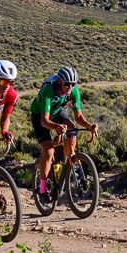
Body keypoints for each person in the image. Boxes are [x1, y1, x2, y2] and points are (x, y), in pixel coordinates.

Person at [30, 66, 98, 195]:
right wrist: (56, 127)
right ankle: (42, 187)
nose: (70, 87)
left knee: (72, 128)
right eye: (67, 84)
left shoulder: (73, 91)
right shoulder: (48, 90)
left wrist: (89, 126)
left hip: (56, 111)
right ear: (60, 81)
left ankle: (70, 158)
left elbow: (78, 117)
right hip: (39, 115)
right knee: (49, 151)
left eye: (73, 84)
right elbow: (44, 121)